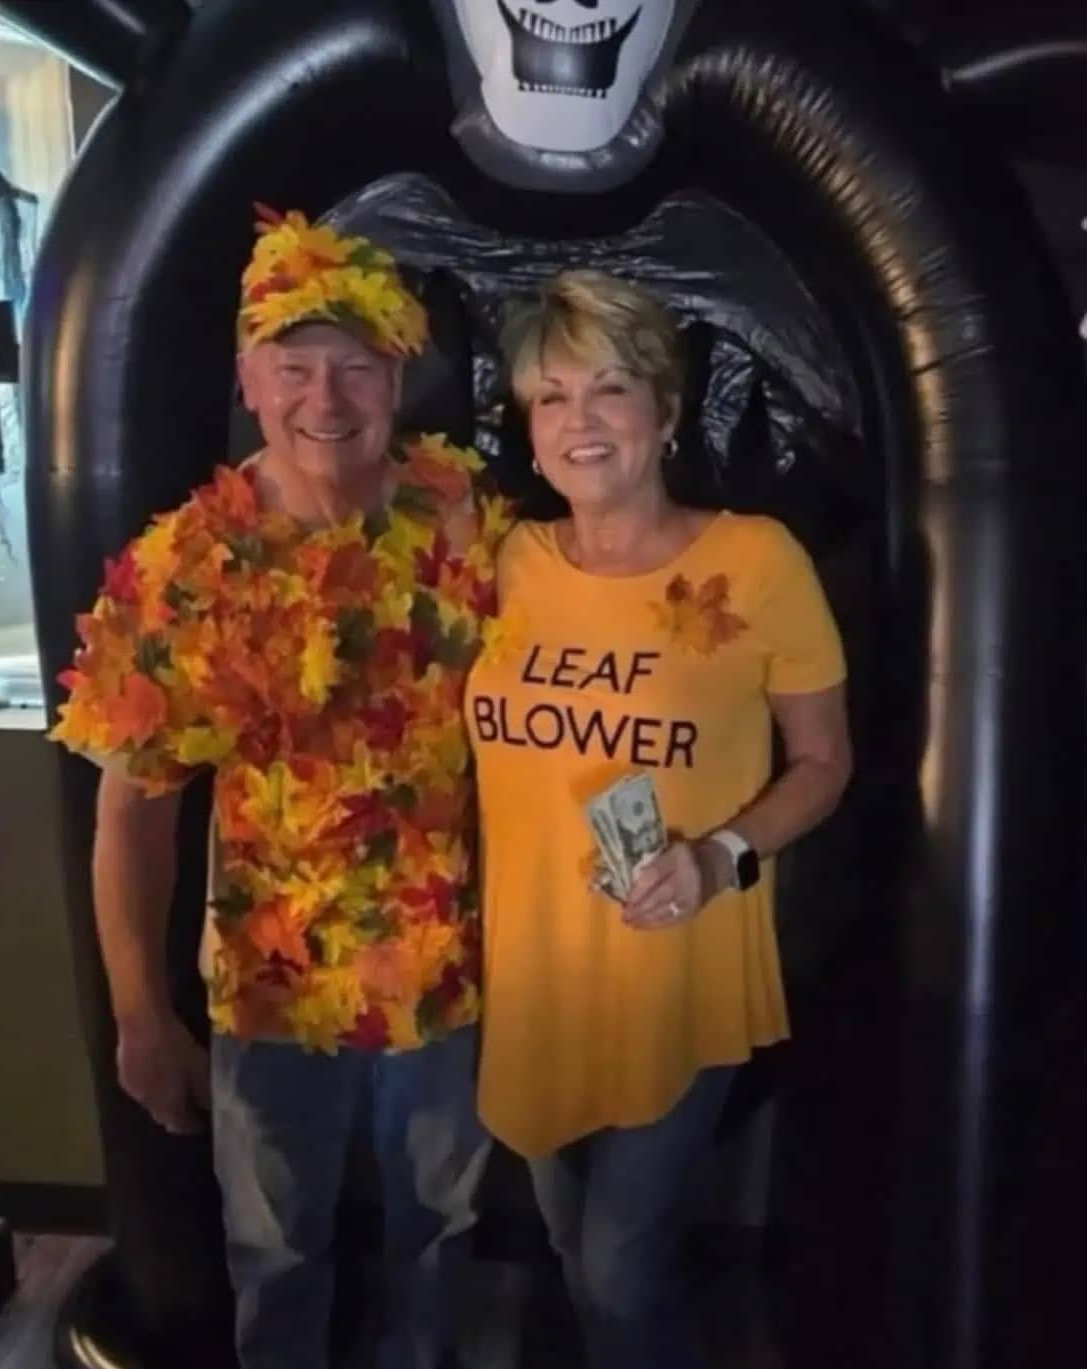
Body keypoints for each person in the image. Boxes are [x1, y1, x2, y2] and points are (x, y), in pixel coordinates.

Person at [52, 207, 511, 1369]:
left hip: (449, 986)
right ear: (249, 380)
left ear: (399, 374)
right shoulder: (190, 568)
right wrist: (140, 1015)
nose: (326, 397)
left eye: (355, 366)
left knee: (439, 1240)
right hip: (270, 996)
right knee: (278, 1258)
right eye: (294, 367)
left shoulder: (463, 518)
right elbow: (131, 814)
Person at [466, 270, 852, 1368]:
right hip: (534, 970)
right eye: (552, 398)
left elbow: (825, 763)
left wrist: (720, 854)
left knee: (621, 1268)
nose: (580, 423)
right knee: (562, 1237)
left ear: (667, 412)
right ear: (529, 428)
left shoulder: (756, 560)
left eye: (611, 392)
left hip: (677, 964)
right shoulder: (510, 560)